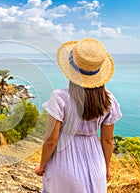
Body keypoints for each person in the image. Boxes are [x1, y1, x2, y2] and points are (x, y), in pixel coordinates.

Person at [34, 38, 122, 193]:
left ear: (71, 70)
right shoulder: (109, 100)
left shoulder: (60, 97)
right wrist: (106, 167)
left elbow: (51, 140)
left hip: (63, 162)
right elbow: (108, 140)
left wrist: (42, 165)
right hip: (95, 162)